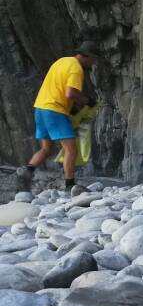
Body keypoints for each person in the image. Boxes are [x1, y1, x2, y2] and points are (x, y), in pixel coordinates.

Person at [15, 42, 99, 194]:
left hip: (40, 108)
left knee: (47, 148)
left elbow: (58, 87)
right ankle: (69, 186)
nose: (94, 63)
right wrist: (88, 101)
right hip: (54, 110)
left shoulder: (62, 61)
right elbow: (70, 93)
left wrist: (72, 108)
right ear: (87, 56)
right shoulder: (76, 69)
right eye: (94, 59)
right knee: (71, 149)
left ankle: (26, 172)